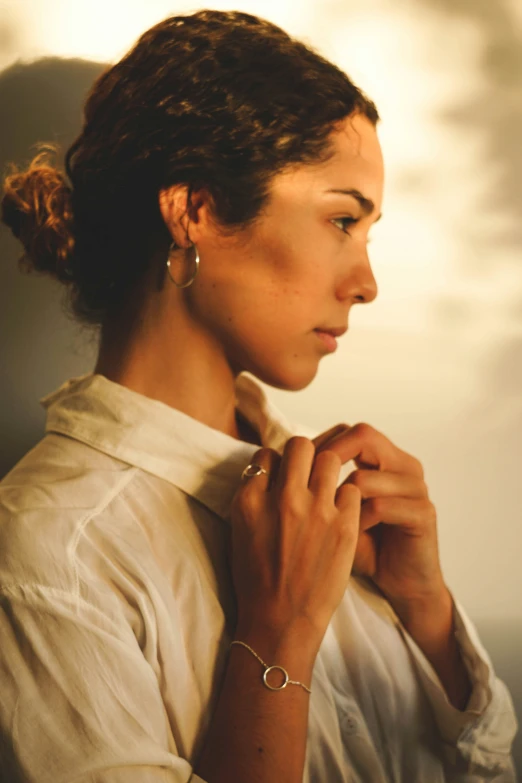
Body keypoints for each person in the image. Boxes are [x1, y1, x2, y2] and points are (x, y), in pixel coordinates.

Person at [0, 9, 517, 783]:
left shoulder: (332, 505)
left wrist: (428, 611)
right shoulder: (46, 552)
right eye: (342, 218)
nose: (367, 283)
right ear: (195, 211)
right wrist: (276, 639)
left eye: (368, 232)